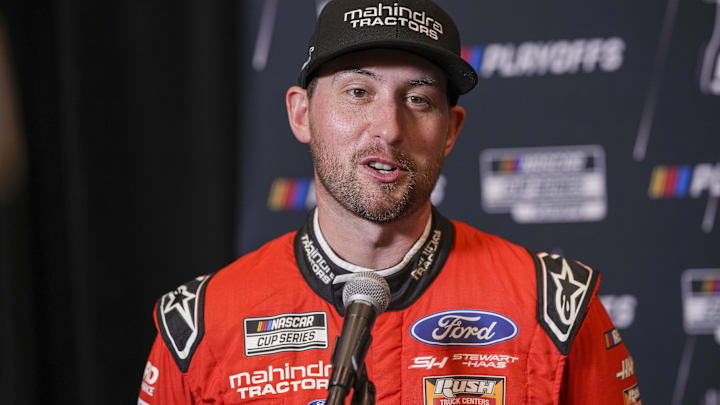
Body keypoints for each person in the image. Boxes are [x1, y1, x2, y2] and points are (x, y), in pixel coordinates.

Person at [138, 0, 640, 404]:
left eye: (418, 99)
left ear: (450, 132)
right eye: (358, 91)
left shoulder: (553, 308)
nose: (389, 129)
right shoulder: (203, 321)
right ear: (301, 115)